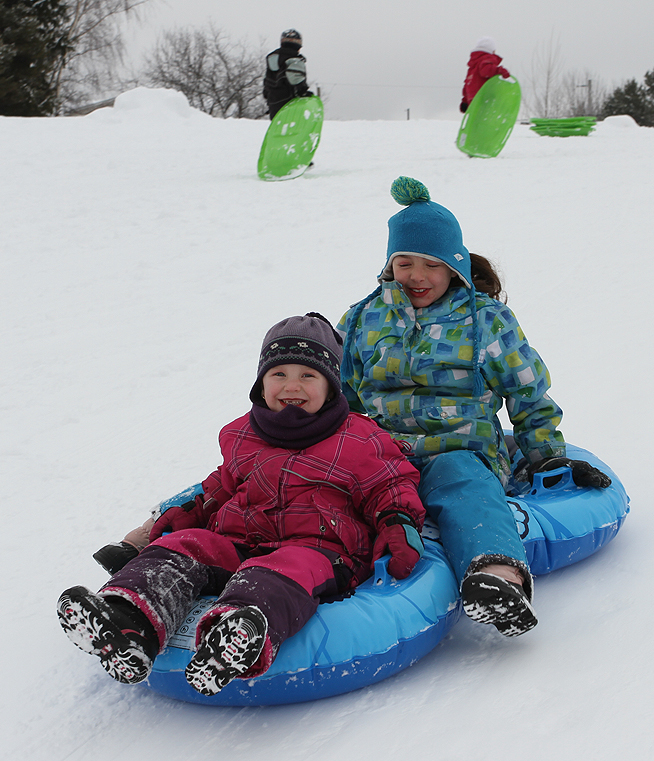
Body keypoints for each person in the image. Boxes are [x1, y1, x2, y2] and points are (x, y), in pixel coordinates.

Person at [58, 313, 426, 695]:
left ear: (332, 387)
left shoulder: (359, 437)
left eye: (308, 376)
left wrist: (398, 524)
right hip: (240, 540)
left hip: (318, 549)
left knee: (285, 566)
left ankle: (237, 634)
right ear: (261, 382)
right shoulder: (243, 433)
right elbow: (222, 484)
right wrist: (192, 512)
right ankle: (127, 623)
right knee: (184, 546)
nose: (291, 386)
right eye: (278, 374)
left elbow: (390, 485)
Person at [337, 177, 612, 638]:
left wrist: (548, 458)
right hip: (383, 454)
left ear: (455, 267)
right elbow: (340, 395)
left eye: (432, 264)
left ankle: (497, 578)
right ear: (389, 265)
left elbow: (528, 394)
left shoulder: (485, 319)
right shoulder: (364, 317)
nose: (417, 276)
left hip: (460, 448)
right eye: (404, 262)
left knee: (463, 483)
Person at [263, 28, 312, 118]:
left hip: (274, 103)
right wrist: (303, 91)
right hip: (290, 103)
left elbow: (266, 82)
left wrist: (268, 96)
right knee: (293, 128)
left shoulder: (273, 60)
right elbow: (295, 77)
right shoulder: (295, 60)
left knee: (280, 129)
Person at [460, 37, 510, 113]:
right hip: (484, 97)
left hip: (473, 99)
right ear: (492, 50)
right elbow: (486, 71)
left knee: (477, 118)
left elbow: (467, 84)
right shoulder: (486, 58)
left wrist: (465, 101)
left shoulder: (472, 67)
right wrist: (500, 70)